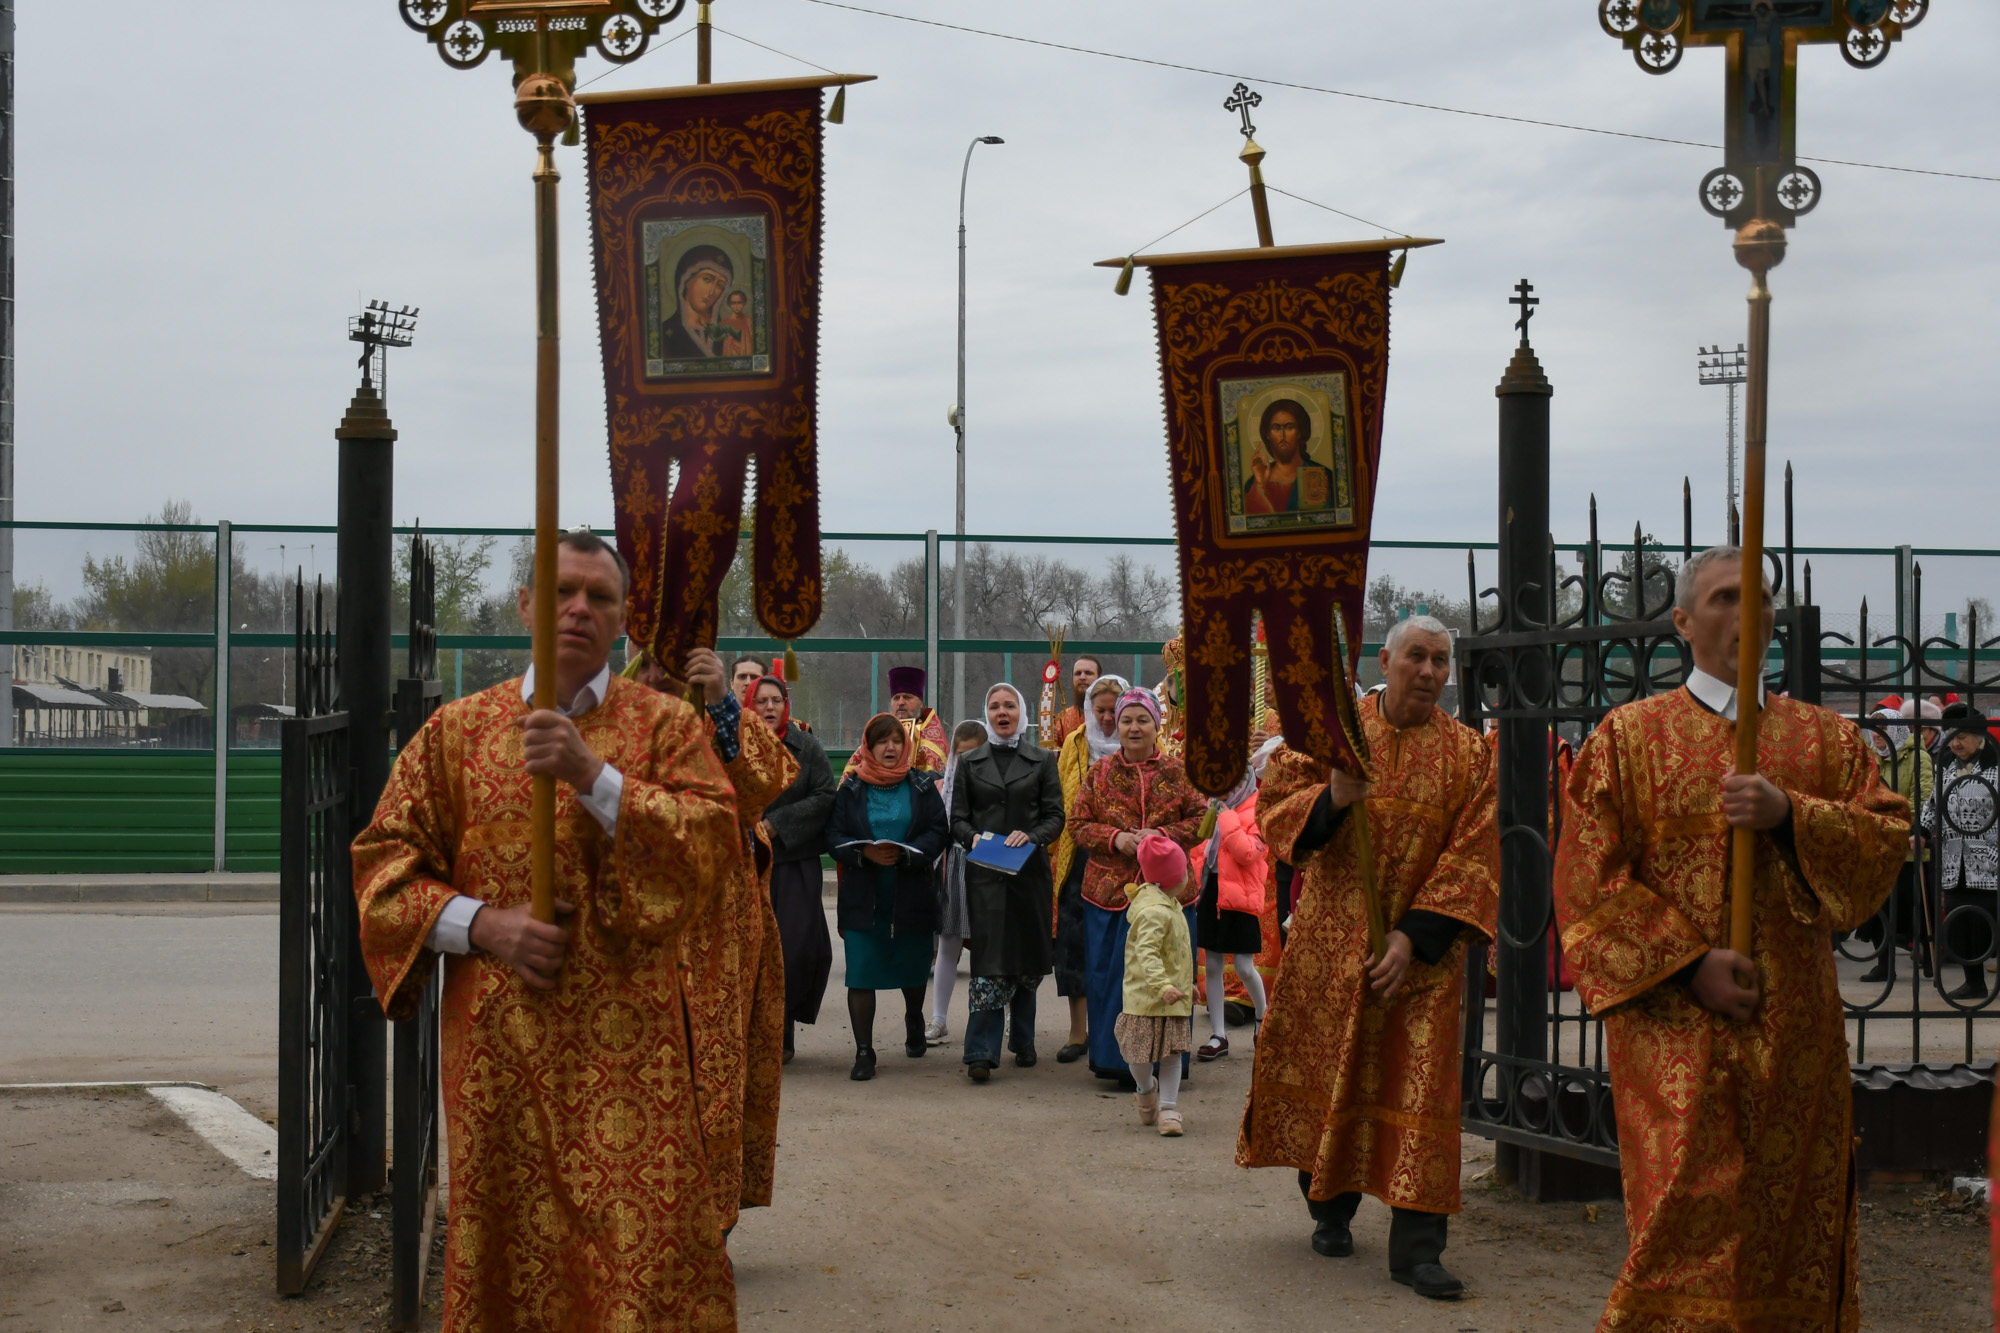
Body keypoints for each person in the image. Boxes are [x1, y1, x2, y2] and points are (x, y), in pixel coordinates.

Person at [352, 530, 743, 1329]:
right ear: (525, 604)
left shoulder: (668, 727)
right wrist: (484, 925)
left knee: (643, 1265)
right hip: (502, 1066)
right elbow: (382, 868)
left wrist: (593, 776)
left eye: (599, 597)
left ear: (624, 618)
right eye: (561, 592)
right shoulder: (457, 733)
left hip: (632, 1062)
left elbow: (711, 846)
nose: (578, 610)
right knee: (511, 1265)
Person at [1554, 546, 1907, 1331]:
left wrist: (1792, 815)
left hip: (1796, 1035)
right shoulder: (1628, 738)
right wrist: (1689, 966)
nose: (1749, 612)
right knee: (1684, 1219)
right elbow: (1586, 882)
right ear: (1682, 621)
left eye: (1760, 597)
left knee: (1789, 1217)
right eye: (1724, 597)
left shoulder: (1824, 739)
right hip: (1674, 1034)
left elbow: (1885, 839)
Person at [1236, 614, 1498, 1303]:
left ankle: (1418, 1249)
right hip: (1333, 942)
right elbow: (1272, 809)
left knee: (1421, 1085)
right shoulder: (1331, 735)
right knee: (1334, 1072)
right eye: (1418, 657)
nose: (1430, 671)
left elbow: (1475, 854)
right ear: (1386, 660)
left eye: (1441, 660)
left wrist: (1412, 937)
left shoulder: (1471, 754)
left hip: (1424, 958)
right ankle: (1329, 1207)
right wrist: (1330, 797)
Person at [625, 644, 795, 1234]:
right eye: (644, 655)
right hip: (630, 922)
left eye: (670, 658)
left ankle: (709, 1221)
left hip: (718, 922)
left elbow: (764, 784)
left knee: (713, 1068)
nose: (657, 671)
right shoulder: (604, 722)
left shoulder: (716, 718)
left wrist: (722, 699)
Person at [1069, 687, 1209, 1084]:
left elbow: (1202, 822)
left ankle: (1167, 1063)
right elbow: (1077, 824)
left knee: (1169, 976)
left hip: (1170, 895)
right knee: (1112, 978)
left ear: (1156, 725)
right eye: (1126, 720)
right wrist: (1116, 838)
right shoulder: (1099, 773)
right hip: (1111, 895)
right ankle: (1115, 1062)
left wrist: (1161, 835)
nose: (1134, 727)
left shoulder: (1178, 772)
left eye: (1142, 720)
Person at [950, 682, 1066, 1081]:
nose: (1002, 713)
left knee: (1027, 959)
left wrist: (1031, 836)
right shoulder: (970, 762)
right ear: (987, 713)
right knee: (989, 960)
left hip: (1029, 875)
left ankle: (1023, 1039)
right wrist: (972, 837)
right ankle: (980, 1052)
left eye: (1010, 706)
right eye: (995, 706)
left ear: (1022, 713)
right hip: (985, 876)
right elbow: (957, 818)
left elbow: (1055, 816)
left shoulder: (1043, 760)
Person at [825, 713, 950, 1081]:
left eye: (896, 740)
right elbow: (832, 836)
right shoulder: (850, 788)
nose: (890, 747)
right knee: (861, 972)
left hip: (910, 892)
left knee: (913, 966)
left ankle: (914, 1019)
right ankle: (864, 1052)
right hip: (864, 897)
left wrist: (907, 855)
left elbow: (938, 831)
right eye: (882, 741)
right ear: (869, 746)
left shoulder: (922, 785)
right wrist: (864, 853)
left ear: (905, 744)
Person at [753, 673, 839, 1060]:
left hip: (795, 862)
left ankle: (783, 1027)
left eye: (776, 700)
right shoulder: (735, 746)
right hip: (749, 862)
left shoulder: (806, 746)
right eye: (761, 701)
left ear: (786, 704)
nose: (769, 707)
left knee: (795, 950)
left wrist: (777, 824)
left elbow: (824, 795)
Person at [1049, 673, 1129, 1062]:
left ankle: (1117, 1029)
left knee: (1123, 945)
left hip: (1128, 858)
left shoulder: (1144, 744)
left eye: (1115, 711)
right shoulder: (1075, 743)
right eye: (1101, 711)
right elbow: (1062, 793)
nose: (1108, 718)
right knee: (1074, 942)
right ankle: (1078, 1030)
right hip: (1080, 853)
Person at [1120, 835, 1199, 1137]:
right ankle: (1145, 1087)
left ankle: (1167, 1108)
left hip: (1172, 998)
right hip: (1145, 997)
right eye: (1184, 871)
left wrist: (1187, 985)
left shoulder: (1171, 905)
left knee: (1172, 1055)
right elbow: (1147, 953)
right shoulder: (1155, 912)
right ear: (1172, 879)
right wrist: (1162, 985)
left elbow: (1178, 954)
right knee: (1138, 1056)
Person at [1191, 766, 1269, 1060]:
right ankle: (1218, 1035)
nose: (1224, 789)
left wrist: (1226, 817)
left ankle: (1263, 1018)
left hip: (1241, 897)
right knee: (1212, 965)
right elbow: (1200, 850)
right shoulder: (1211, 806)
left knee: (1244, 967)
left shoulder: (1257, 808)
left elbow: (1248, 853)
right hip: (1211, 892)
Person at [1858, 696, 1938, 984]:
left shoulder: (1918, 757)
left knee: (1914, 906)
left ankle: (1929, 955)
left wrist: (1898, 821)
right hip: (1878, 844)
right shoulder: (1869, 759)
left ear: (1896, 730)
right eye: (1874, 731)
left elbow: (1924, 797)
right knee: (1880, 907)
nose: (1877, 737)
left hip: (1908, 844)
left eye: (1883, 730)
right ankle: (1884, 964)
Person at [1923, 701, 1998, 1000]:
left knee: (1989, 921)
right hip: (1954, 859)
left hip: (1990, 861)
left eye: (1962, 737)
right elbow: (1932, 806)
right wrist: (1921, 831)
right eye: (1951, 737)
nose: (1955, 743)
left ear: (1979, 737)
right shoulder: (1945, 766)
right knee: (1961, 923)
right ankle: (1974, 982)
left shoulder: (1995, 766)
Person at [927, 719, 993, 1044]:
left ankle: (1001, 1019)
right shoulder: (944, 787)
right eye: (962, 755)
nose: (968, 762)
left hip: (991, 867)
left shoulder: (997, 786)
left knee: (993, 948)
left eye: (975, 754)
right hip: (956, 864)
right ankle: (938, 1019)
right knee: (948, 944)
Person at [844, 665, 948, 776]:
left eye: (907, 697)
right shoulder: (879, 732)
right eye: (896, 698)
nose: (901, 702)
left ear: (921, 703)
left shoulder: (932, 742)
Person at [1242, 398, 1337, 516]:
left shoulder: (1323, 476)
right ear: (1267, 434)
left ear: (1300, 432)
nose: (1282, 435)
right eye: (1276, 428)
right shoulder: (1253, 483)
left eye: (1289, 427)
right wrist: (1259, 487)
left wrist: (1326, 501)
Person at [661, 245, 736, 360]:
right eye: (707, 279)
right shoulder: (664, 333)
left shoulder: (726, 334)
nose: (711, 292)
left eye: (720, 286)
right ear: (686, 280)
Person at [1048, 655, 1104, 750]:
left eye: (1088, 673)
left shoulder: (1111, 716)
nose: (1082, 677)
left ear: (1099, 678)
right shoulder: (1062, 719)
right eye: (1078, 673)